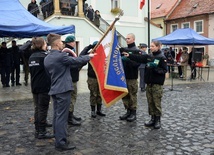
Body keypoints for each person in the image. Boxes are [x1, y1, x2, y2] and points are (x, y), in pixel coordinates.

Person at [44, 33, 96, 151]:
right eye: (61, 42)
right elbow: (76, 60)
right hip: (63, 90)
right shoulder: (60, 56)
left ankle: (58, 138)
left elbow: (49, 75)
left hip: (55, 89)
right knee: (62, 117)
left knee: (57, 116)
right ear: (57, 44)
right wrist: (90, 56)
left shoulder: (47, 58)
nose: (63, 43)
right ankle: (61, 142)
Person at [122, 40, 167, 129]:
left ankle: (157, 120)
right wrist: (129, 55)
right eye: (151, 46)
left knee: (156, 102)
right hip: (149, 83)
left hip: (157, 84)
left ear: (158, 47)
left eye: (153, 46)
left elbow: (164, 70)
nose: (151, 47)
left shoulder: (161, 57)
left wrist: (155, 68)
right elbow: (140, 58)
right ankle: (152, 118)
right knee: (150, 102)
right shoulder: (149, 56)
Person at [29, 37, 54, 139]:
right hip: (44, 86)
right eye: (45, 43)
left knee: (37, 108)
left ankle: (37, 127)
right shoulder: (45, 56)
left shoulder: (32, 56)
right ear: (41, 44)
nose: (46, 45)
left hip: (35, 85)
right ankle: (42, 131)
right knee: (43, 108)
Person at [119, 33, 141, 122]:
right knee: (125, 95)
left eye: (128, 38)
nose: (127, 40)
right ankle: (127, 111)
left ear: (133, 39)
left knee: (132, 95)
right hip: (124, 76)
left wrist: (128, 60)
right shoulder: (124, 49)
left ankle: (133, 113)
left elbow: (137, 64)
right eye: (126, 38)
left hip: (132, 77)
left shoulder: (136, 51)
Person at [82, 41, 106, 118]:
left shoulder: (102, 54)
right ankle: (93, 110)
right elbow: (81, 56)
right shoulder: (90, 54)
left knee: (99, 94)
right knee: (93, 94)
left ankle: (99, 110)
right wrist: (89, 47)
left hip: (100, 77)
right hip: (92, 77)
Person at [64, 35, 82, 126]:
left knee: (72, 97)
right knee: (72, 97)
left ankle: (71, 114)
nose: (75, 43)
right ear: (71, 42)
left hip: (72, 77)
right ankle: (69, 118)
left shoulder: (70, 51)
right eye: (74, 41)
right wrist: (79, 63)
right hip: (71, 78)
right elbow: (70, 65)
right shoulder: (68, 52)